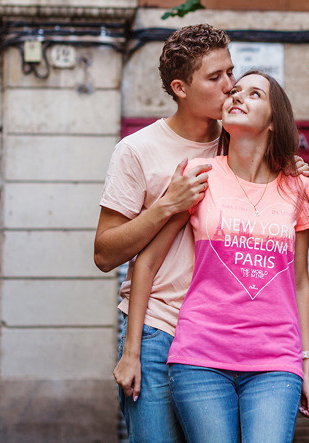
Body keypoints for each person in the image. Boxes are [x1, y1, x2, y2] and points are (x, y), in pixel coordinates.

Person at [114, 70, 309, 443]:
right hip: (200, 357)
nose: (236, 96)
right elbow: (145, 263)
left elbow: (301, 284)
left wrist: (307, 364)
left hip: (276, 361)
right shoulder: (200, 174)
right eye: (235, 91)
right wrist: (131, 353)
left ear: (275, 121)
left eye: (254, 94)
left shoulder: (299, 185)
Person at [94, 23, 234, 443]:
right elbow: (104, 254)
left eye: (231, 71)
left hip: (221, 333)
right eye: (215, 77)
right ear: (180, 87)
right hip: (158, 330)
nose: (230, 86)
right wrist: (167, 205)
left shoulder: (239, 142)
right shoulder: (137, 150)